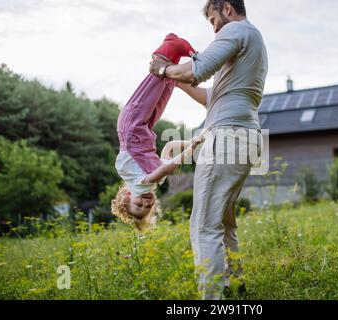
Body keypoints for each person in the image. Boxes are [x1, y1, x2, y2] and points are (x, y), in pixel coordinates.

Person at [150, 0, 268, 300]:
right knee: (224, 218)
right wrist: (175, 82)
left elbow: (197, 70)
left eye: (213, 19)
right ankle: (235, 285)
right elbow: (210, 96)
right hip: (246, 137)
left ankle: (212, 299)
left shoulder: (235, 31)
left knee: (203, 226)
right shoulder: (252, 42)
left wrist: (163, 69)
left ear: (227, 8)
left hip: (227, 138)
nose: (213, 28)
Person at [112, 34, 205, 232]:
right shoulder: (152, 180)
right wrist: (191, 142)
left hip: (131, 126)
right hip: (143, 128)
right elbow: (170, 148)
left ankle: (169, 47)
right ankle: (175, 59)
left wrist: (192, 149)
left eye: (138, 205)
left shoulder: (141, 184)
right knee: (167, 86)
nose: (145, 203)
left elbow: (168, 167)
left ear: (128, 196)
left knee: (154, 82)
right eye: (147, 208)